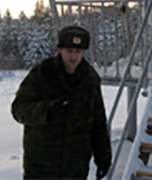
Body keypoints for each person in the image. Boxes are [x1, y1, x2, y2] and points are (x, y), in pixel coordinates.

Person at [11, 26, 112, 179]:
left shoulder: (90, 79)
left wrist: (103, 159)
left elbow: (98, 122)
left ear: (84, 52)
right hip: (41, 167)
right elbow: (18, 109)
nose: (73, 56)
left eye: (78, 52)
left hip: (75, 169)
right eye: (69, 51)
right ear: (60, 50)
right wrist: (47, 111)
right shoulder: (42, 74)